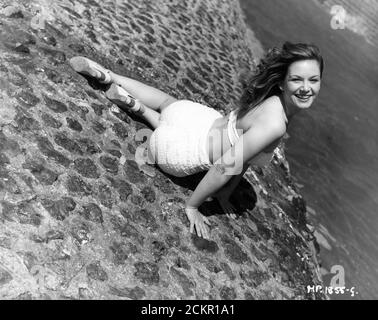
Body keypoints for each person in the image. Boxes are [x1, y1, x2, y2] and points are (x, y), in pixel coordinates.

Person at [69, 41, 323, 240]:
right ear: (282, 82)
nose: (306, 88)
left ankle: (109, 76)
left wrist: (226, 193)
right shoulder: (275, 124)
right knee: (164, 126)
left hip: (198, 120)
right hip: (180, 151)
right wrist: (193, 207)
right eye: (297, 79)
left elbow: (242, 153)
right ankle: (138, 108)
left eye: (313, 80)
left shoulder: (270, 96)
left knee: (168, 104)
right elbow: (226, 165)